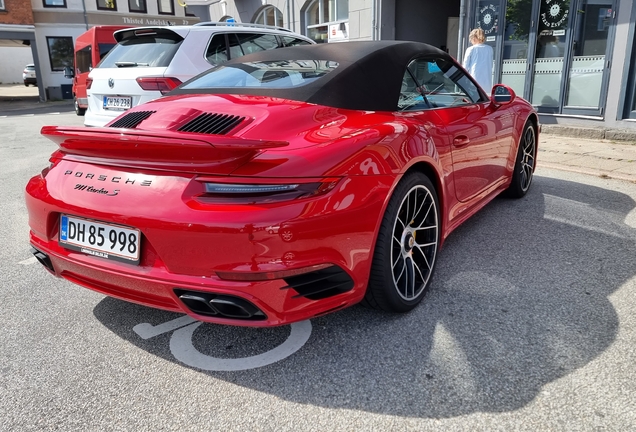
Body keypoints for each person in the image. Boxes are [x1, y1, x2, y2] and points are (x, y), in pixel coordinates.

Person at [462, 28, 494, 92]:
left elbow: (465, 66)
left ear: (474, 38)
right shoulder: (490, 49)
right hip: (487, 79)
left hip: (474, 78)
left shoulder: (471, 49)